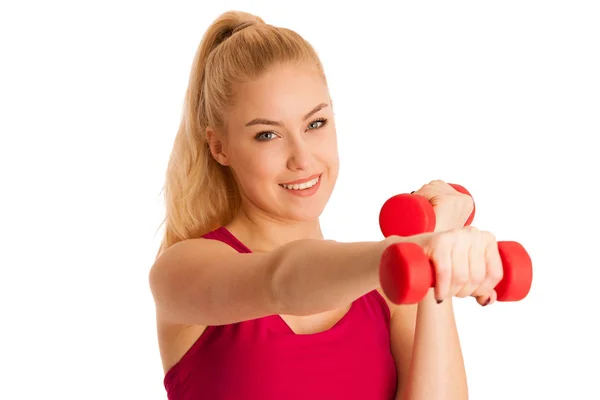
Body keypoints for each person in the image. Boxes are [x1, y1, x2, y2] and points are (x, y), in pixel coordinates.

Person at [148, 10, 503, 400]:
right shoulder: (180, 273)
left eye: (315, 124)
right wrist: (410, 252)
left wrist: (436, 263)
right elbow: (280, 280)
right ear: (219, 147)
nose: (302, 158)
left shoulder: (390, 292)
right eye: (267, 134)